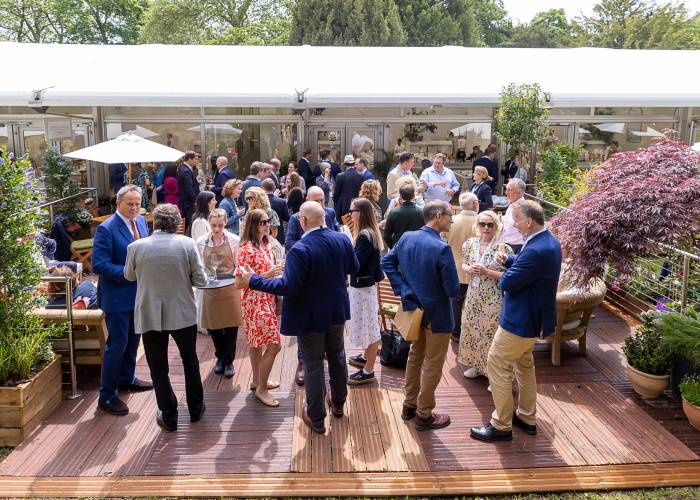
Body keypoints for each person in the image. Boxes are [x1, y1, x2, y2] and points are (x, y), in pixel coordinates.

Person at [236, 201, 359, 434]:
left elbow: (287, 286)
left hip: (310, 315)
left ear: (303, 221)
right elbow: (353, 266)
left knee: (313, 364)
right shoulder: (342, 239)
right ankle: (339, 404)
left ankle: (316, 417)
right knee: (337, 355)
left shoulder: (300, 249)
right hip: (336, 311)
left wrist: (252, 280)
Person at [470, 200, 562, 443]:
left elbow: (507, 283)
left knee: (497, 363)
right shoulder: (548, 241)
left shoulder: (536, 250)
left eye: (516, 219)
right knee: (524, 365)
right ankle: (527, 416)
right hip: (533, 319)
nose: (513, 223)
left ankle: (501, 424)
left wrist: (507, 273)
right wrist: (510, 263)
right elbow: (528, 269)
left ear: (529, 222)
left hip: (520, 320)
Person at [123, 203, 206, 432]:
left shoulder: (135, 247)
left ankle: (169, 416)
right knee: (190, 362)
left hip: (149, 314)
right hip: (182, 313)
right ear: (178, 222)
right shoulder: (187, 244)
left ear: (154, 222)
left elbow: (129, 276)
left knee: (158, 368)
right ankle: (196, 408)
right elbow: (201, 280)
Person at [381, 200, 460, 431]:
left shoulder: (406, 238)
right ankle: (424, 414)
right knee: (433, 364)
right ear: (437, 215)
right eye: (449, 215)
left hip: (414, 309)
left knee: (415, 356)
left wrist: (404, 289)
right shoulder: (442, 248)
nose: (452, 220)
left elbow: (387, 261)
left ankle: (409, 405)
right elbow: (453, 290)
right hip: (438, 315)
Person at [92, 185, 153, 416]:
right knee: (116, 346)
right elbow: (99, 264)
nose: (134, 207)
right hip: (117, 297)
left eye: (137, 203)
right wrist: (129, 272)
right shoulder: (106, 229)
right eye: (130, 203)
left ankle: (127, 379)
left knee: (133, 342)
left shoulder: (141, 222)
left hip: (138, 295)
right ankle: (106, 396)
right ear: (118, 204)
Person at [237, 209, 284, 407]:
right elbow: (239, 283)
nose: (266, 225)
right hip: (255, 303)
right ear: (253, 225)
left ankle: (257, 381)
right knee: (275, 345)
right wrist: (269, 274)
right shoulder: (247, 249)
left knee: (257, 343)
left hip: (265, 300)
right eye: (262, 222)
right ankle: (262, 390)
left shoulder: (265, 245)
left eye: (267, 221)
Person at [459, 211, 512, 379]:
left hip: (492, 297)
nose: (486, 228)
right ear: (477, 226)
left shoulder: (503, 248)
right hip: (473, 295)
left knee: (490, 332)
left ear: (496, 227)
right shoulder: (470, 243)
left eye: (490, 224)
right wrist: (468, 269)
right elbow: (464, 263)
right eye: (482, 224)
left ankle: (493, 374)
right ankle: (477, 365)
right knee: (473, 330)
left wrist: (486, 271)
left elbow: (508, 276)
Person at [196, 209, 241, 378]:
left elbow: (238, 264)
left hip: (230, 288)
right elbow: (199, 266)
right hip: (210, 289)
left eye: (220, 225)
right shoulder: (201, 242)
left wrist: (235, 277)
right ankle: (220, 357)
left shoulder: (234, 240)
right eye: (214, 225)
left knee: (231, 326)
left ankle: (229, 360)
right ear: (209, 223)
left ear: (226, 223)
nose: (216, 229)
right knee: (213, 327)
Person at [346, 198, 384, 385]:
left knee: (370, 328)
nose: (350, 213)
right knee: (369, 325)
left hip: (362, 287)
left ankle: (368, 370)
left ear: (360, 213)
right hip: (365, 287)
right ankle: (366, 357)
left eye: (352, 210)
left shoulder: (364, 236)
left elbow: (356, 265)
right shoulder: (369, 233)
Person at [445, 192, 479, 342]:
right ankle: (471, 331)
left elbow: (443, 241)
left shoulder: (452, 221)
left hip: (455, 268)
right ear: (475, 204)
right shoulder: (484, 221)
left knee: (455, 302)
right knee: (475, 302)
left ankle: (455, 331)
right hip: (477, 269)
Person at [285, 186, 339, 252]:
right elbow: (289, 243)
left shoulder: (330, 213)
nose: (320, 204)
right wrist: (311, 245)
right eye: (316, 201)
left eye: (322, 200)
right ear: (307, 200)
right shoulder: (296, 218)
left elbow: (337, 232)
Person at [383, 183, 424, 249]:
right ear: (414, 196)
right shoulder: (421, 212)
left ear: (400, 196)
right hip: (416, 248)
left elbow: (386, 235)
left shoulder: (393, 212)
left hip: (398, 247)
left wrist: (393, 247)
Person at [333, 154, 365, 223]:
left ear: (345, 164)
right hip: (356, 207)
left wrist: (336, 204)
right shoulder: (361, 176)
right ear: (354, 163)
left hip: (343, 208)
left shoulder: (340, 176)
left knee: (344, 229)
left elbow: (336, 194)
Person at [178, 151, 200, 235]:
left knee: (186, 224)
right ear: (190, 159)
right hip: (189, 203)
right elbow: (189, 189)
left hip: (186, 202)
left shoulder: (183, 168)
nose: (196, 161)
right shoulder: (185, 170)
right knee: (191, 224)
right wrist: (195, 201)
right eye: (195, 159)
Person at [263, 178, 290, 245]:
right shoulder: (281, 201)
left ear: (262, 188)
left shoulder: (260, 202)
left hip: (263, 234)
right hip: (279, 235)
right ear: (274, 188)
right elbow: (287, 218)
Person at [503, 178, 526, 254]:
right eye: (506, 189)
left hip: (517, 247)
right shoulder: (512, 204)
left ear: (519, 192)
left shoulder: (523, 207)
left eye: (509, 190)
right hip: (507, 244)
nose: (506, 192)